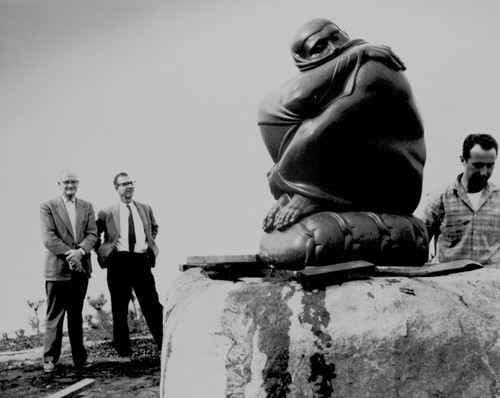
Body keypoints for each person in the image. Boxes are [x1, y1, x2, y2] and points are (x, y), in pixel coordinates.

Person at [258, 18, 426, 232]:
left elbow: (335, 123)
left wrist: (281, 173)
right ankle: (303, 192)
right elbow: (288, 99)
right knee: (267, 108)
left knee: (328, 121)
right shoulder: (356, 59)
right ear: (302, 60)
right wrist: (354, 55)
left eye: (336, 37)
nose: (333, 48)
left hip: (396, 184)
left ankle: (310, 194)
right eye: (319, 48)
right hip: (356, 178)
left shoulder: (376, 63)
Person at [95, 172, 163, 361]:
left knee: (152, 306)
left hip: (141, 261)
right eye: (124, 184)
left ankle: (164, 346)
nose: (129, 187)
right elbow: (95, 234)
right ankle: (124, 353)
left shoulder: (145, 208)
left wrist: (148, 243)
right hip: (118, 262)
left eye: (131, 183)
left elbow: (153, 228)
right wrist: (103, 253)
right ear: (116, 188)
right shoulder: (107, 212)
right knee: (119, 307)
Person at [40, 168, 97, 373]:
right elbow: (49, 238)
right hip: (57, 270)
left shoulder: (87, 206)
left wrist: (81, 251)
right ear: (59, 184)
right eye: (66, 182)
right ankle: (50, 359)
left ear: (78, 184)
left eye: (74, 182)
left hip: (80, 269)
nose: (70, 185)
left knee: (76, 314)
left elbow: (92, 233)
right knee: (54, 315)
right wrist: (71, 254)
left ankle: (80, 359)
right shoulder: (47, 207)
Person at [418, 133, 500, 264]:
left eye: (490, 165)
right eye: (478, 165)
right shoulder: (439, 198)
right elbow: (418, 243)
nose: (484, 172)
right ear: (463, 160)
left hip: (490, 282)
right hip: (448, 281)